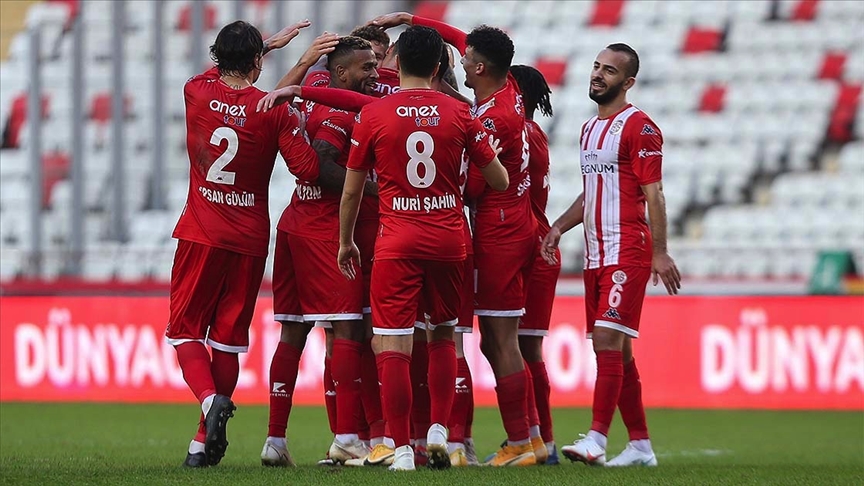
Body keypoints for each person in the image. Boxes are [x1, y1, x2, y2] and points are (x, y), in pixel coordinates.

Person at [369, 12, 540, 466]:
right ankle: (510, 438)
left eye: (468, 58)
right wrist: (410, 18)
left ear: (480, 67)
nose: (462, 59)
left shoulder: (492, 117)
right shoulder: (503, 90)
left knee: (486, 338)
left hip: (493, 231)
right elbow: (470, 45)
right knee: (469, 337)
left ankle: (508, 441)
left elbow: (478, 184)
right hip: (501, 226)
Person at [337, 25, 508, 471]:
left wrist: (346, 241)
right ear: (437, 67)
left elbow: (352, 191)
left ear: (395, 63)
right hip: (449, 240)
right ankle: (438, 429)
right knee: (443, 335)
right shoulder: (461, 113)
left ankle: (400, 449)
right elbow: (500, 181)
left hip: (396, 240)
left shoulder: (373, 114)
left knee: (392, 341)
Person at [165, 20, 320, 468]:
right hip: (249, 239)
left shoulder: (196, 91)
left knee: (184, 332)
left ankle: (209, 400)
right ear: (256, 61)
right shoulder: (273, 109)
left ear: (218, 56)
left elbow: (216, 73)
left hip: (201, 232)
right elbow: (308, 170)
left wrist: (262, 47)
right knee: (227, 342)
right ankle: (201, 444)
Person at [541, 43, 682, 467]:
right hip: (596, 253)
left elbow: (654, 193)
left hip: (628, 250)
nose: (598, 74)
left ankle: (597, 439)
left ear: (628, 81)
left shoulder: (640, 127)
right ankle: (640, 445)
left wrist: (660, 252)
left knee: (606, 340)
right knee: (618, 352)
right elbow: (592, 192)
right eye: (596, 66)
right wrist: (558, 227)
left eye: (609, 70)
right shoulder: (589, 129)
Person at [261, 36, 379, 467]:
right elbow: (321, 162)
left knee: (292, 334)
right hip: (325, 231)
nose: (374, 74)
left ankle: (275, 440)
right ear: (341, 73)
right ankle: (347, 437)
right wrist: (373, 188)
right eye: (366, 67)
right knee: (347, 331)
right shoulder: (337, 113)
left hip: (294, 223)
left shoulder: (315, 91)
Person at [510, 64, 561, 465]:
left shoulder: (519, 133)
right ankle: (543, 439)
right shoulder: (535, 133)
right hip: (540, 243)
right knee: (527, 348)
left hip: (525, 247)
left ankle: (534, 438)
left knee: (511, 345)